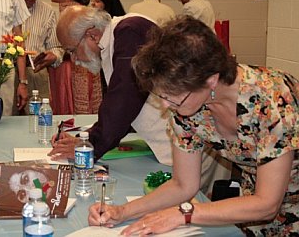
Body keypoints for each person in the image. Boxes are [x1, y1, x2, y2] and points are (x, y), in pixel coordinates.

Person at [88, 16, 299, 236]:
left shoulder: (270, 101)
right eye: (161, 95)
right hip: (255, 202)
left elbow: (266, 204)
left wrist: (183, 213)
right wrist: (122, 211)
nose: (165, 104)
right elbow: (183, 185)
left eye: (173, 96)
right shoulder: (188, 106)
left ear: (211, 80)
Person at [48, 6, 231, 196]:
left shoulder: (129, 32)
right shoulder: (115, 40)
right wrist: (86, 139)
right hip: (179, 145)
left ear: (91, 35)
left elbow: (124, 100)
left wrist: (89, 146)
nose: (75, 59)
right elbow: (123, 107)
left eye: (72, 50)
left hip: (195, 146)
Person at [49, 0, 102, 114]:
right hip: (65, 66)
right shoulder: (66, 10)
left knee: (77, 110)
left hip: (75, 67)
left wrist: (57, 53)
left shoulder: (76, 13)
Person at [15, 0, 64, 100]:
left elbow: (56, 47)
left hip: (35, 72)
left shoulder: (47, 11)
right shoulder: (4, 9)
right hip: (8, 74)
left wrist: (53, 56)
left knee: (39, 118)